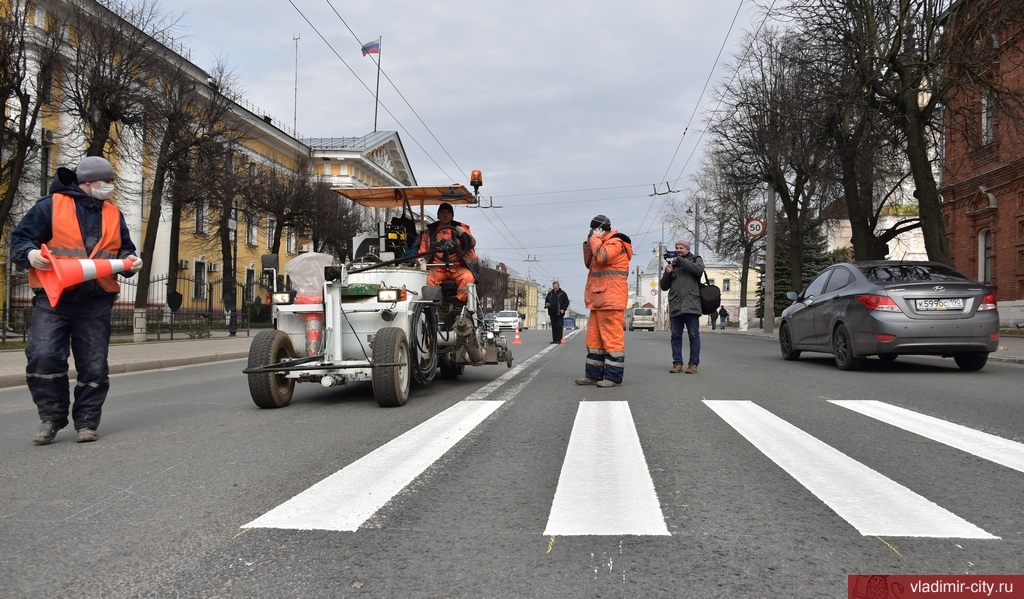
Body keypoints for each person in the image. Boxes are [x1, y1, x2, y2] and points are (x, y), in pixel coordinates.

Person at [10, 156, 143, 444]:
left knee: (94, 365)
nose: (109, 186)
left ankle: (87, 422)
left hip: (95, 299)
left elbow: (123, 250)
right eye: (105, 181)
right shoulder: (51, 206)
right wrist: (30, 255)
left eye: (111, 181)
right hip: (53, 298)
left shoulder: (113, 214)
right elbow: (21, 239)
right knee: (43, 358)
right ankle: (51, 418)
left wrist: (130, 261)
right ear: (86, 182)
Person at [575, 215, 633, 388]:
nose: (592, 233)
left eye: (593, 230)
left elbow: (601, 257)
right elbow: (589, 262)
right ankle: (593, 375)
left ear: (600, 229)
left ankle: (613, 377)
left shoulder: (615, 243)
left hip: (611, 299)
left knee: (612, 340)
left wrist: (594, 239)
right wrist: (589, 242)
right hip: (599, 299)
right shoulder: (599, 243)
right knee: (594, 341)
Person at [417, 202, 478, 304]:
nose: (445, 215)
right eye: (442, 212)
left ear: (452, 216)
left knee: (468, 278)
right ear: (438, 215)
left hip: (457, 267)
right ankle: (434, 307)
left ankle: (459, 305)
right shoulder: (428, 233)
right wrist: (419, 264)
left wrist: (463, 235)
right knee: (428, 280)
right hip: (437, 269)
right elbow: (422, 253)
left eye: (448, 213)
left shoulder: (461, 228)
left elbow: (471, 243)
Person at [660, 238, 704, 374]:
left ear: (687, 249)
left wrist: (681, 261)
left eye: (681, 248)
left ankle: (693, 364)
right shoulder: (673, 265)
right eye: (677, 248)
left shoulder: (696, 259)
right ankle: (677, 363)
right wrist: (667, 273)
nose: (679, 250)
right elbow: (663, 286)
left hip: (691, 304)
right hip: (676, 305)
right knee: (675, 336)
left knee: (694, 336)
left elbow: (698, 270)